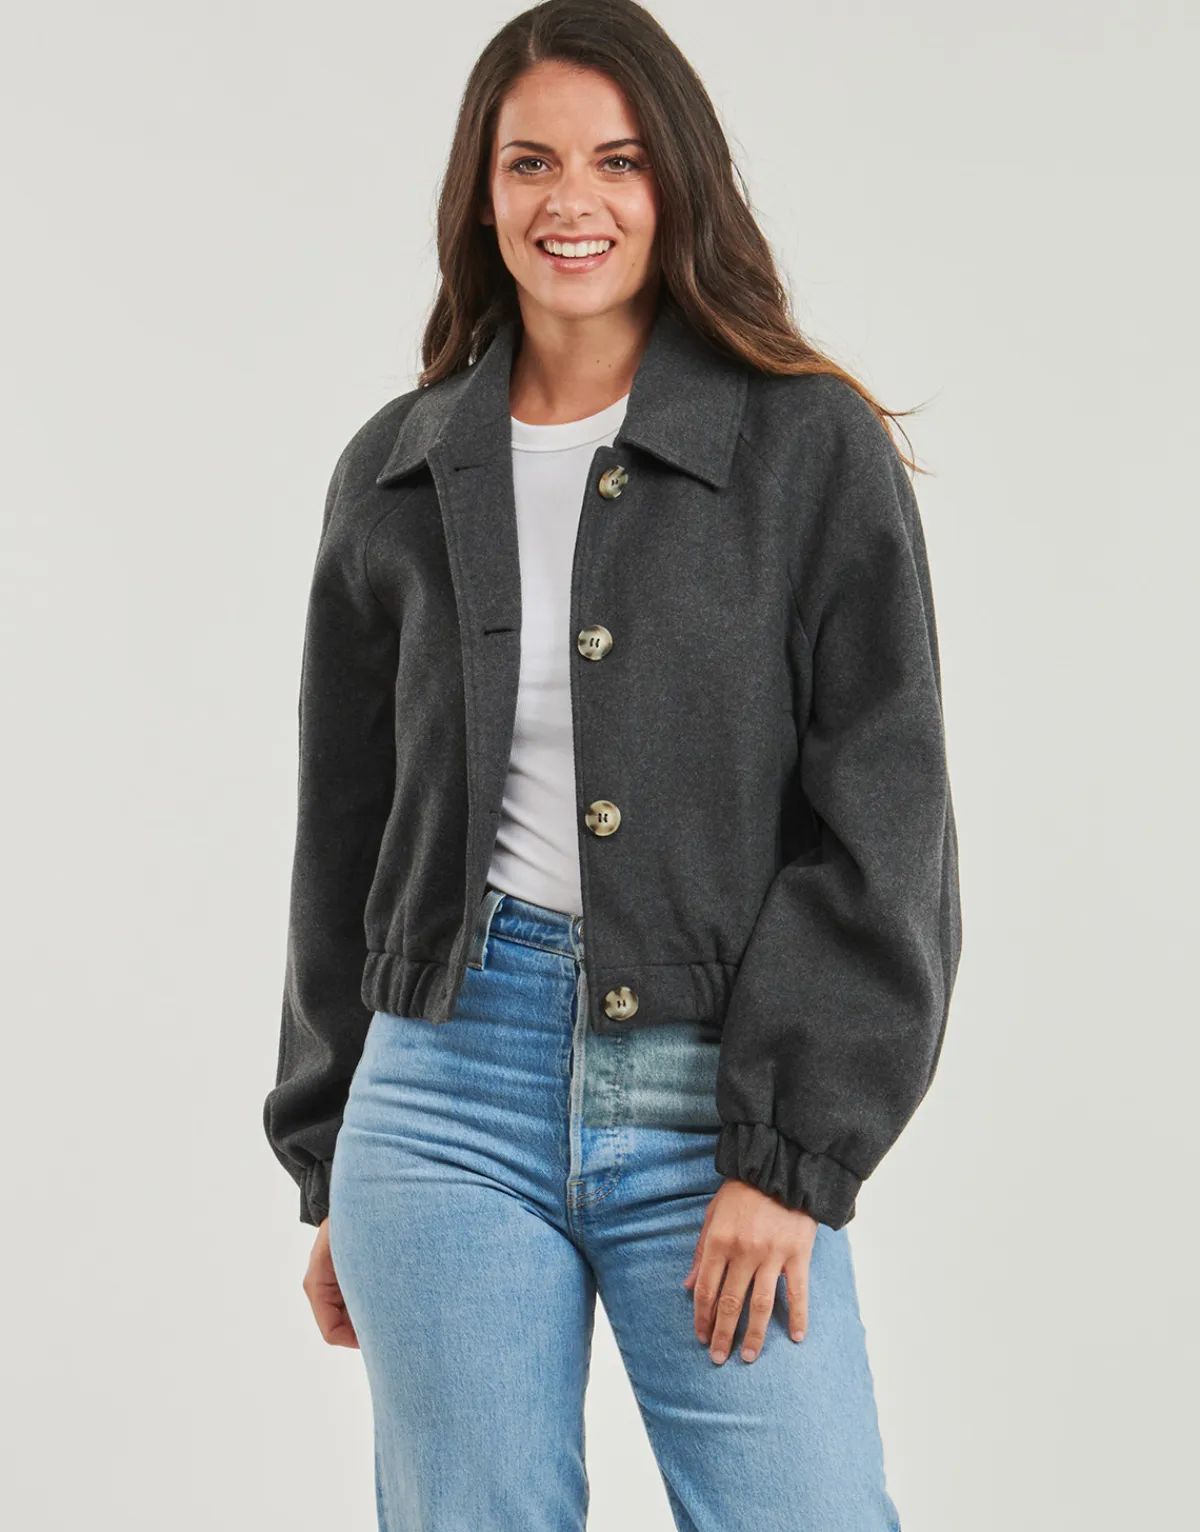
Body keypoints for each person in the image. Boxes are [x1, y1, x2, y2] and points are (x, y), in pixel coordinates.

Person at [262, 2, 961, 1527]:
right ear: (481, 192)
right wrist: (332, 1155)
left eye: (618, 161)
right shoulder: (395, 469)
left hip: (712, 1091)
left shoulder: (805, 446)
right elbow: (346, 833)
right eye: (531, 162)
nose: (570, 200)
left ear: (677, 182)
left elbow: (884, 817)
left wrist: (793, 1151)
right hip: (437, 1097)